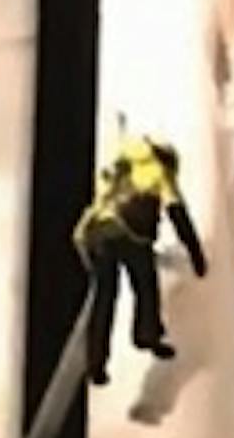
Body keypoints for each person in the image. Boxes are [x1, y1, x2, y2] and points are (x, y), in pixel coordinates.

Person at [72, 128, 209, 387]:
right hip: (129, 233)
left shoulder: (120, 167)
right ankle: (147, 335)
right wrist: (196, 254)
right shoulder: (160, 172)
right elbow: (177, 213)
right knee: (145, 284)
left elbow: (99, 203)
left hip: (95, 234)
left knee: (105, 297)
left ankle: (95, 365)